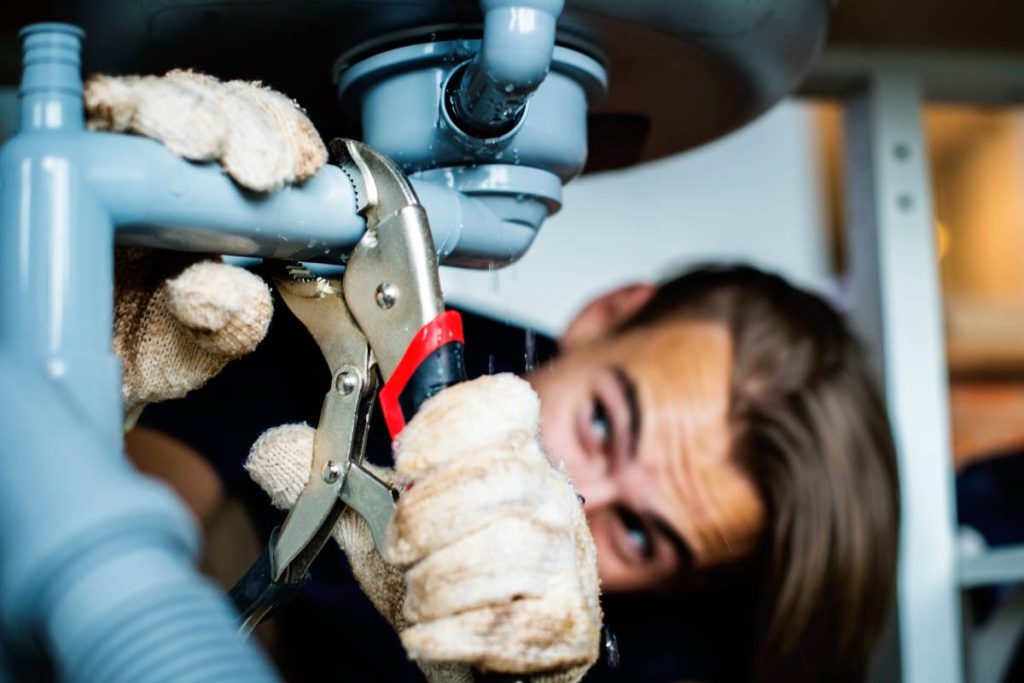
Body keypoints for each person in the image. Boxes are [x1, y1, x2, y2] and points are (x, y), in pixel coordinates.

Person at [97, 71, 900, 681]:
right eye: (602, 422)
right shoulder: (350, 328)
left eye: (641, 533)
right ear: (606, 316)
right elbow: (133, 519)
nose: (571, 492)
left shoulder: (664, 649)